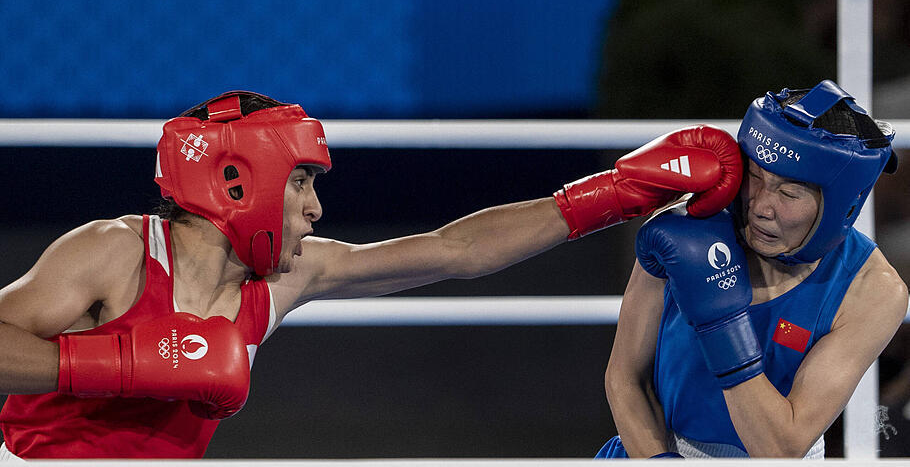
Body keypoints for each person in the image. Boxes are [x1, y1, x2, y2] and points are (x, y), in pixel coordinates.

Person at [0, 91, 743, 459]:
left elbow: (456, 249)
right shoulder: (114, 251)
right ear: (238, 180)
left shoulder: (284, 278)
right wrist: (124, 363)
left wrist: (612, 194)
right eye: (301, 184)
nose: (317, 209)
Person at [600, 79, 908, 458]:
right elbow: (625, 378)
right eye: (755, 177)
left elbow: (779, 448)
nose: (761, 205)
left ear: (840, 205)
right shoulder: (686, 230)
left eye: (789, 192)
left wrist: (722, 323)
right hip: (652, 451)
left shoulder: (871, 290)